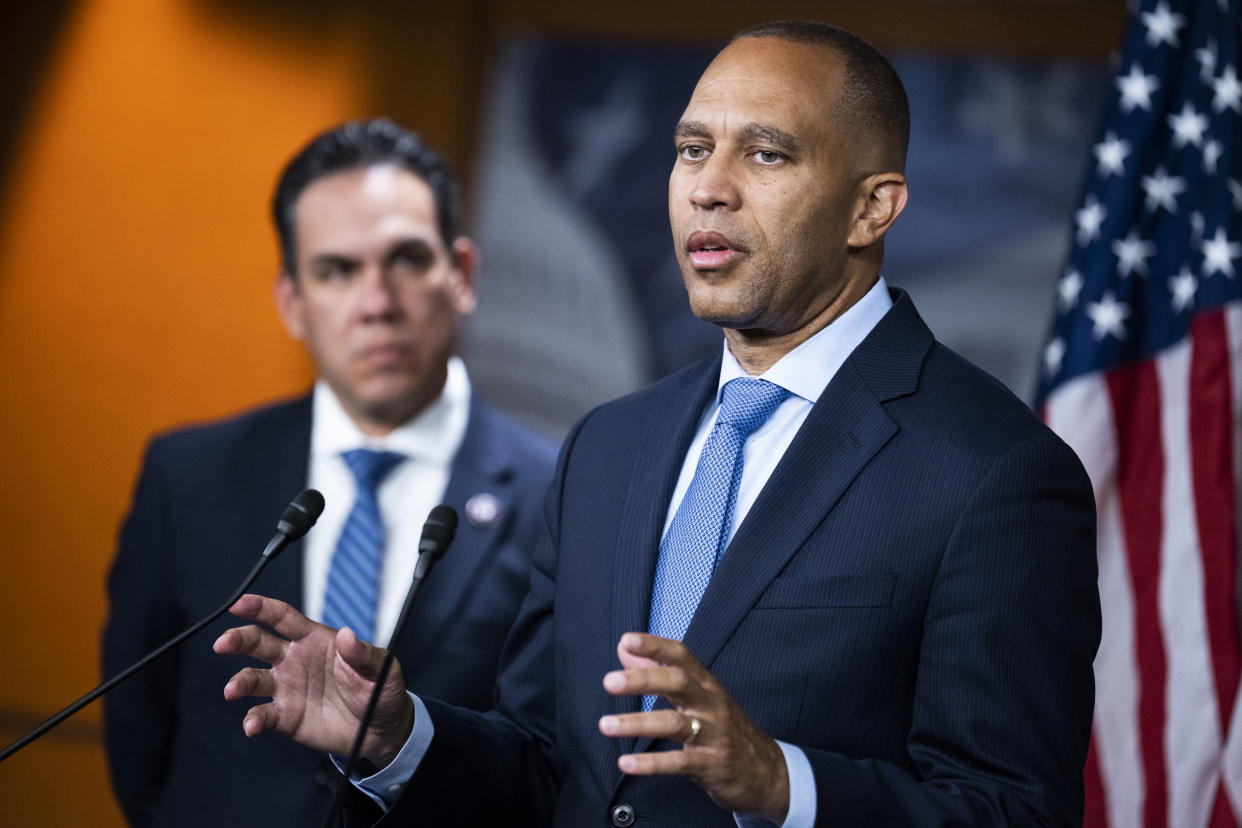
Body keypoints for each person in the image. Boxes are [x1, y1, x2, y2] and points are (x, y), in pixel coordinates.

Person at [215, 22, 1101, 827]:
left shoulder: (995, 472)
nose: (707, 190)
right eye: (690, 149)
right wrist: (399, 737)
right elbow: (558, 774)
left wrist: (783, 783)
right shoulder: (611, 444)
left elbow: (1015, 812)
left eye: (766, 155)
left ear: (873, 208)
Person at [101, 119, 557, 828]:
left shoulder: (561, 492)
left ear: (461, 275)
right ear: (292, 301)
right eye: (337, 270)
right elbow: (139, 741)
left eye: (406, 260)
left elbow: (550, 761)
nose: (377, 302)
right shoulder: (187, 475)